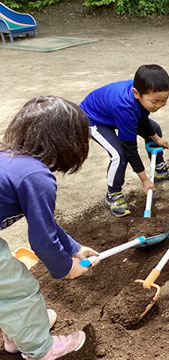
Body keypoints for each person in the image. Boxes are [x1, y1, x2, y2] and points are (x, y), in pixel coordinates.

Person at [0, 96, 100, 359]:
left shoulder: (12, 161)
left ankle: (18, 331)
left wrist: (74, 248)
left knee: (6, 285)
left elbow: (45, 223)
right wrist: (67, 268)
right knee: (19, 290)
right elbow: (42, 239)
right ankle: (39, 348)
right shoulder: (37, 177)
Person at [80, 64, 169, 218]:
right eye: (155, 102)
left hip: (114, 115)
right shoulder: (125, 106)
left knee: (155, 130)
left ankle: (160, 169)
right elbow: (130, 148)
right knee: (119, 154)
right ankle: (113, 195)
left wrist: (156, 138)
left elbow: (142, 118)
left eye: (164, 101)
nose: (159, 106)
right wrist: (144, 180)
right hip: (93, 119)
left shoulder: (142, 93)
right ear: (137, 93)